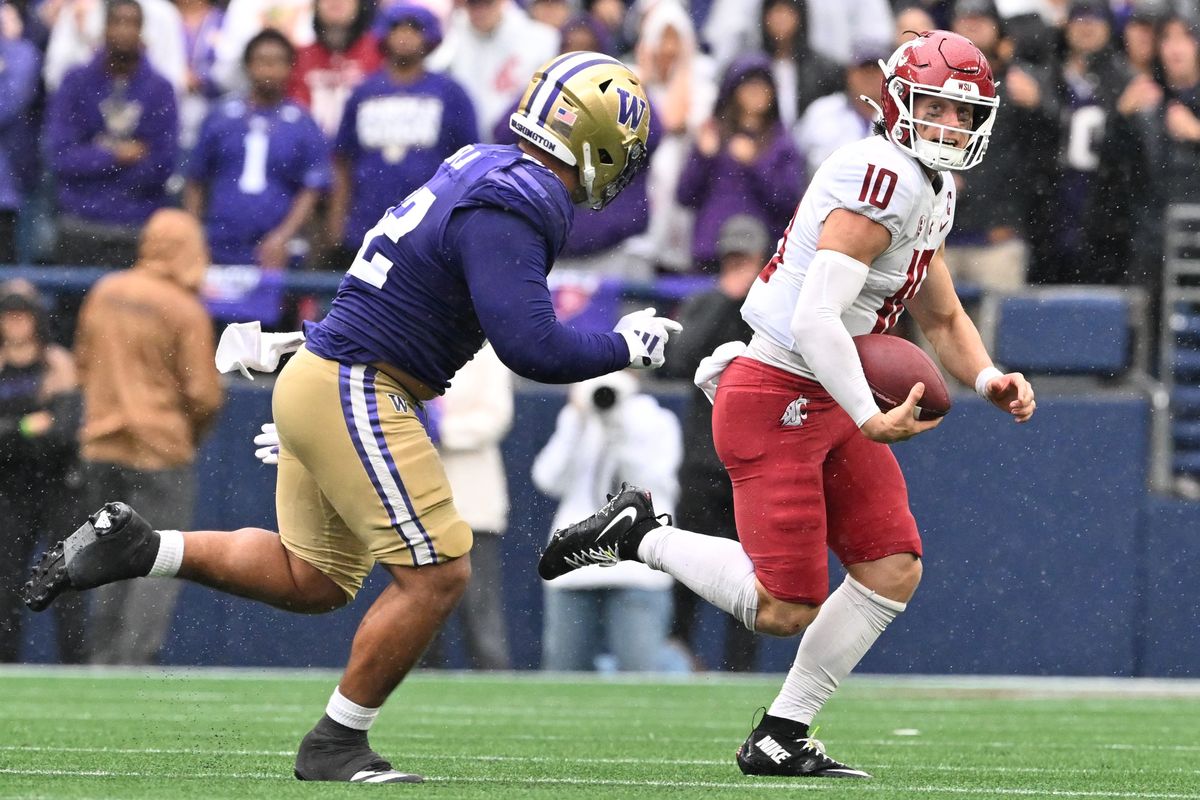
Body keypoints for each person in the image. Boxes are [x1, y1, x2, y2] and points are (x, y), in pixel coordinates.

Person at [24, 52, 674, 784]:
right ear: (596, 141)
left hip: (330, 372)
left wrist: (308, 355)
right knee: (438, 574)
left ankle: (145, 549)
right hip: (360, 383)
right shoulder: (522, 197)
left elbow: (412, 280)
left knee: (315, 579)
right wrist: (628, 343)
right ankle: (336, 741)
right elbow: (533, 348)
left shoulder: (481, 163)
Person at [539, 31, 1036, 779]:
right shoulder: (885, 179)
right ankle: (640, 533)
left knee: (892, 567)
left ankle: (781, 733)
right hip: (779, 391)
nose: (949, 127)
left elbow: (938, 315)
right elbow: (812, 318)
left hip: (832, 388)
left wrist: (989, 376)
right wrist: (869, 417)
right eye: (935, 106)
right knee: (783, 607)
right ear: (898, 101)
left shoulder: (929, 184)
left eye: (964, 114)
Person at [70, 209, 224, 665]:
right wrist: (187, 436)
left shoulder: (104, 291)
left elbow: (81, 363)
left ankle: (100, 659)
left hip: (100, 446)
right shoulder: (185, 309)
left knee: (103, 559)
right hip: (161, 452)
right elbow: (205, 396)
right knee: (159, 561)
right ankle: (134, 659)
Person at [657, 214, 767, 672]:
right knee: (691, 570)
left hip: (757, 465)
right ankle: (679, 655)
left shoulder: (774, 309)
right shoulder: (705, 303)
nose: (737, 265)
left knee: (753, 575)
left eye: (746, 258)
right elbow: (679, 360)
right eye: (731, 257)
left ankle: (741, 671)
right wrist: (727, 299)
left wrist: (748, 301)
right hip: (705, 463)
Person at [533, 371, 683, 673]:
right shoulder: (577, 418)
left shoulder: (658, 421)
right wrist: (576, 421)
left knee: (640, 676)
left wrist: (618, 429)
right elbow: (547, 479)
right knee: (564, 677)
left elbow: (652, 487)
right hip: (575, 566)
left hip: (638, 568)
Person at [43, 0, 178, 269]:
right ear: (103, 28)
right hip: (79, 218)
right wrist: (115, 155)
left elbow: (162, 164)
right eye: (117, 22)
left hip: (136, 220)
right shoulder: (75, 81)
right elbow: (60, 156)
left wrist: (95, 162)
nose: (123, 30)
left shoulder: (160, 88)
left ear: (142, 31)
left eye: (131, 23)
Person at [183, 29, 331, 268]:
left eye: (277, 62)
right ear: (248, 66)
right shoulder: (220, 116)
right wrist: (193, 235)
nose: (269, 70)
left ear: (290, 68)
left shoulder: (303, 122)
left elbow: (313, 187)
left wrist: (284, 235)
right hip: (218, 243)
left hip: (278, 249)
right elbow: (196, 178)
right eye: (262, 61)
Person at [0, 281, 86, 664]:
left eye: (22, 315)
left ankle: (76, 667)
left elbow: (64, 434)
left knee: (66, 580)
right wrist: (26, 426)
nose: (16, 324)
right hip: (9, 489)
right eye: (8, 315)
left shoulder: (58, 364)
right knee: (6, 582)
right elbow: (37, 431)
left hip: (56, 486)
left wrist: (14, 429)